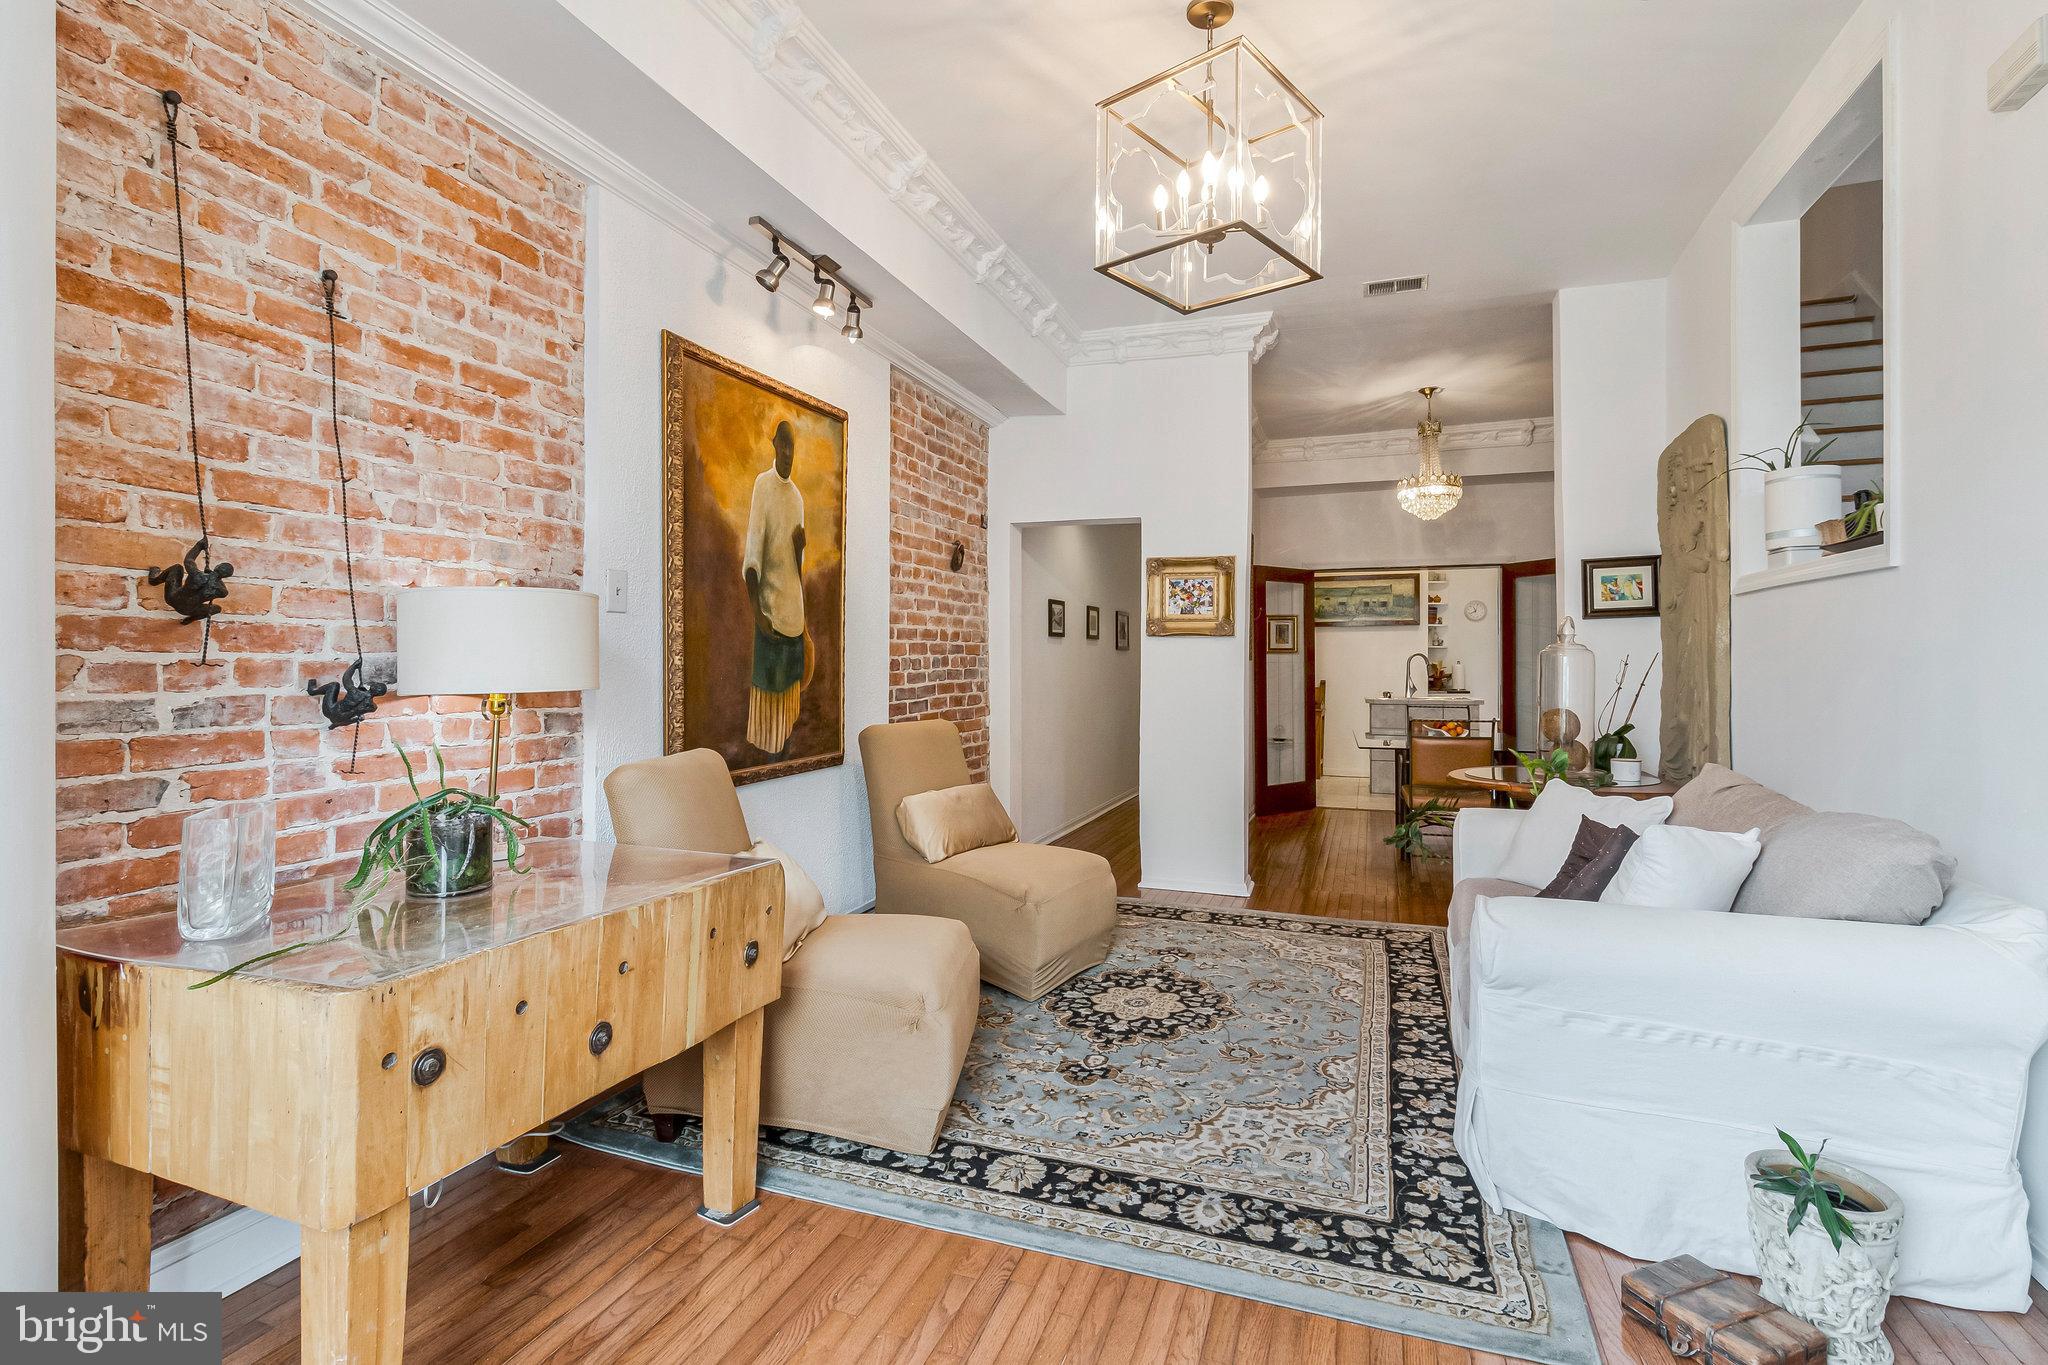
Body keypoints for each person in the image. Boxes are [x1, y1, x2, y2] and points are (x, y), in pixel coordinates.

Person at [743, 419, 807, 754]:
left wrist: (799, 550)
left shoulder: (797, 498)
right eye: (782, 445)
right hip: (769, 613)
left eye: (791, 447)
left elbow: (796, 564)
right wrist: (757, 612)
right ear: (774, 446)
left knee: (788, 719)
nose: (786, 453)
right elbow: (753, 554)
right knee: (767, 726)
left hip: (793, 613)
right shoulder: (762, 486)